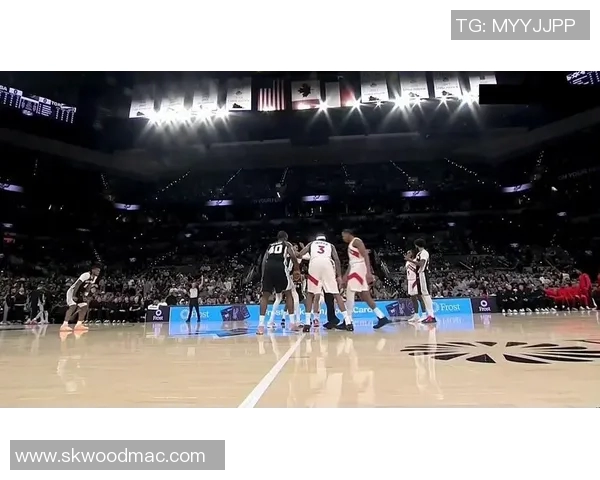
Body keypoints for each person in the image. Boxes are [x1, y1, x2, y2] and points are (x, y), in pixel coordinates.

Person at [296, 235, 350, 332]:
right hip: (327, 266)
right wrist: (339, 276)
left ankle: (307, 323)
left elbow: (299, 255)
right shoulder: (330, 245)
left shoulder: (311, 244)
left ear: (316, 240)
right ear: (325, 240)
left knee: (310, 294)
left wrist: (293, 252)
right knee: (336, 294)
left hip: (314, 266)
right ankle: (348, 322)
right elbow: (337, 260)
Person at [341, 229, 390, 329]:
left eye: (343, 236)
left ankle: (348, 321)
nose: (343, 238)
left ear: (348, 234)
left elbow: (366, 256)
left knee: (350, 291)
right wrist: (346, 275)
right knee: (365, 296)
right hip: (355, 268)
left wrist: (369, 272)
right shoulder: (351, 245)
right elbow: (352, 262)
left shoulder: (356, 241)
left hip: (358, 270)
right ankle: (382, 317)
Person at [258, 231, 300, 335]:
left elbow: (264, 261)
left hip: (268, 269)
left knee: (265, 296)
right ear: (286, 237)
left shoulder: (270, 246)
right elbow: (293, 256)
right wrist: (297, 269)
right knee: (288, 294)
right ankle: (292, 323)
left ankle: (261, 326)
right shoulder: (287, 244)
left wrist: (263, 276)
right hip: (280, 268)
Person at [60, 264, 101, 332]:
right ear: (93, 270)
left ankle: (79, 324)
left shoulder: (95, 277)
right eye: (97, 270)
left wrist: (85, 295)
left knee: (84, 306)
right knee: (73, 306)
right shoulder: (86, 275)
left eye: (99, 271)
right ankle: (64, 325)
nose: (98, 272)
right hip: (73, 291)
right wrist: (74, 295)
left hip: (80, 293)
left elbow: (89, 286)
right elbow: (77, 285)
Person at [405, 239, 435, 323]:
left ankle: (431, 315)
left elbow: (421, 264)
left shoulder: (424, 253)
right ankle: (429, 315)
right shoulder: (419, 253)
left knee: (426, 295)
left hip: (423, 274)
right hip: (420, 275)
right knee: (424, 295)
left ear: (416, 245)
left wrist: (409, 259)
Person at [405, 250, 425, 322]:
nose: (407, 253)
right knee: (413, 298)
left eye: (409, 252)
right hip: (409, 280)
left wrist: (409, 259)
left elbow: (419, 265)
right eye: (407, 252)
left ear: (413, 254)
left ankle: (424, 314)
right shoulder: (407, 262)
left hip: (415, 280)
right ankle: (416, 315)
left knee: (419, 297)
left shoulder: (416, 260)